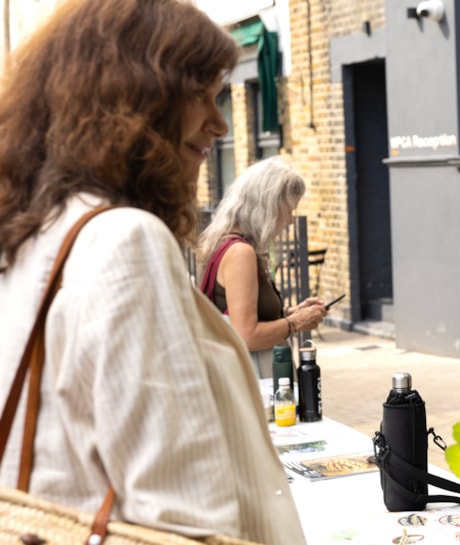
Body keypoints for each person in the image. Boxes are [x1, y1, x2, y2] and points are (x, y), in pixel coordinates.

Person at [0, 1, 306, 543]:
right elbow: (184, 515)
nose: (220, 123)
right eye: (201, 96)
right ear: (135, 97)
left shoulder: (30, 233)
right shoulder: (124, 241)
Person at [196, 157, 326, 378]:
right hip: (256, 378)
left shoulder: (222, 243)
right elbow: (246, 334)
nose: (290, 221)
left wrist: (287, 314)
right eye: (288, 211)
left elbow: (239, 315)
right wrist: (295, 323)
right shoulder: (240, 253)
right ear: (267, 208)